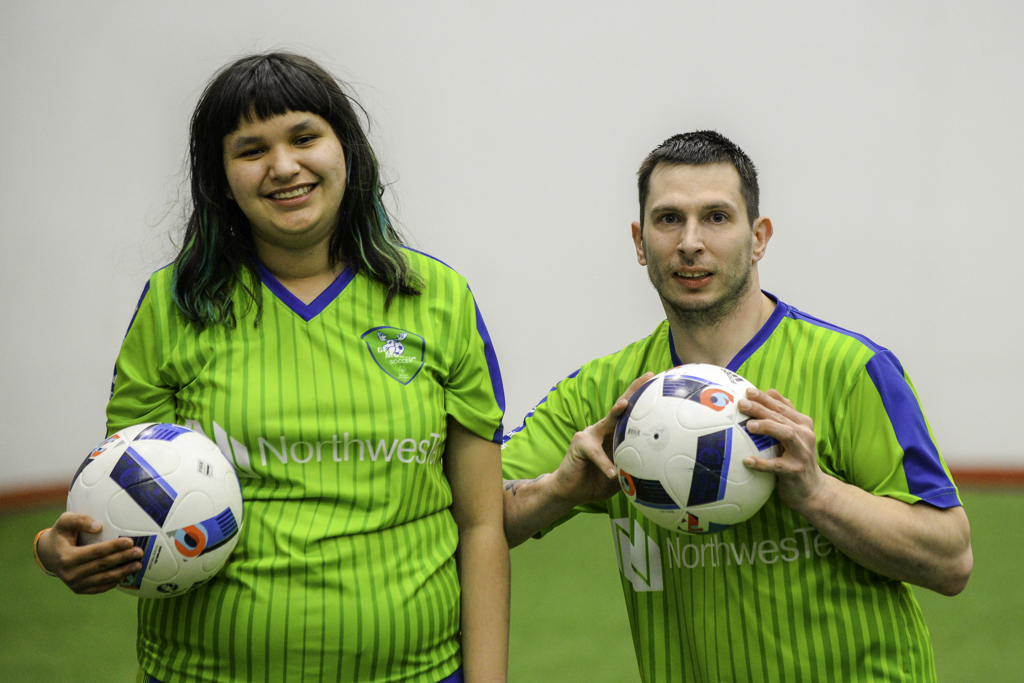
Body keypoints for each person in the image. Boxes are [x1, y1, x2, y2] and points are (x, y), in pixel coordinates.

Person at [33, 52, 509, 683]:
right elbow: (127, 503)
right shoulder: (173, 305)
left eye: (305, 137)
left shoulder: (439, 299)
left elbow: (480, 524)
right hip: (201, 672)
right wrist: (55, 550)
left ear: (348, 149)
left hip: (417, 673)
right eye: (251, 149)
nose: (284, 167)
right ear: (220, 176)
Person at [500, 131, 972, 682]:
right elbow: (476, 517)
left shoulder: (852, 369)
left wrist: (818, 492)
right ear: (638, 241)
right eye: (668, 219)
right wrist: (558, 491)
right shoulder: (601, 394)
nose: (691, 243)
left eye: (717, 218)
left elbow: (950, 560)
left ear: (759, 237)